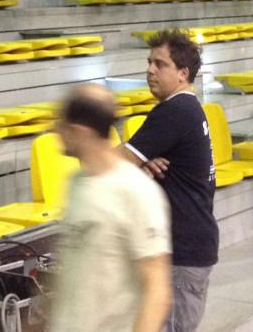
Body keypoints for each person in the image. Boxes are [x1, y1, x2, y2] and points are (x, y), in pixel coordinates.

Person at [50, 84, 172, 332]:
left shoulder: (136, 191)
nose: (56, 131)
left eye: (61, 125)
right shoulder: (76, 183)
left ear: (79, 131)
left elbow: (157, 291)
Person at [122, 30, 217, 332]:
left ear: (182, 73)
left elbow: (111, 164)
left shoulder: (174, 111)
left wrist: (135, 159)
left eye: (160, 64)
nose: (150, 70)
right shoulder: (188, 108)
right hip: (189, 245)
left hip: (183, 252)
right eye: (149, 62)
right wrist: (143, 160)